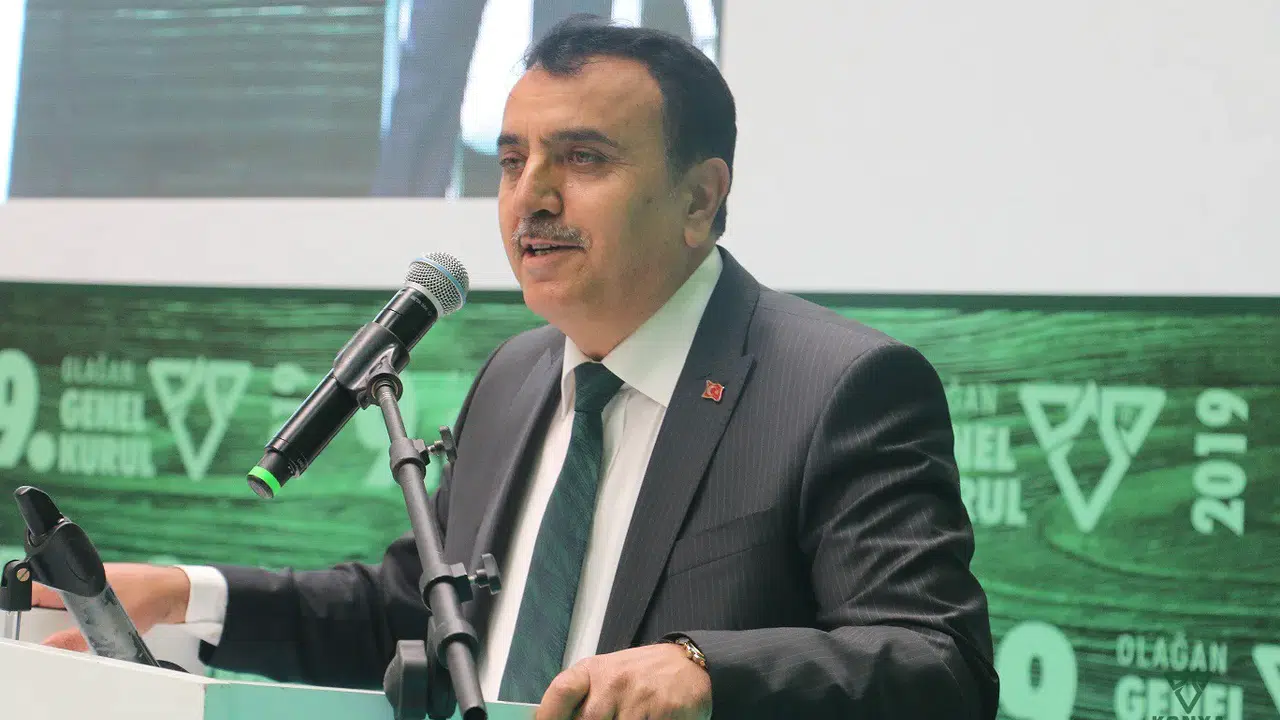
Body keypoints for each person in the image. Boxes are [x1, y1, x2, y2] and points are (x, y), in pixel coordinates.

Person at [34, 16, 1000, 719]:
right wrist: (189, 595)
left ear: (700, 200)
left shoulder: (836, 388)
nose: (530, 197)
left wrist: (706, 669)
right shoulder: (517, 376)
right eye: (509, 161)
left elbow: (939, 663)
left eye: (583, 158)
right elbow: (412, 612)